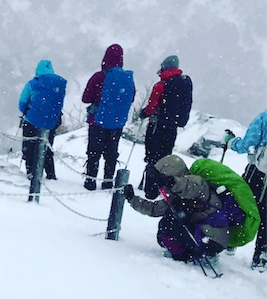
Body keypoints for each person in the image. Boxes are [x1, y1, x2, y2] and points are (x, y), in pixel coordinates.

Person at [123, 154, 260, 264]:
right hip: (206, 236)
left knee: (169, 223)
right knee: (167, 223)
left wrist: (170, 181)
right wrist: (132, 199)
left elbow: (188, 186)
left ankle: (184, 257)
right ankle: (188, 253)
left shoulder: (198, 183)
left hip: (212, 239)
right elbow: (155, 209)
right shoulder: (176, 195)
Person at [81, 43, 135, 191]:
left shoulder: (99, 77)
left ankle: (90, 181)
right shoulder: (127, 78)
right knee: (111, 153)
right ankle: (108, 182)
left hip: (98, 121)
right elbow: (131, 98)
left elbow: (85, 98)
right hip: (117, 123)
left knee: (94, 152)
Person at [138, 55, 193, 199]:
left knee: (152, 157)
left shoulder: (161, 85)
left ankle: (150, 190)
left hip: (157, 126)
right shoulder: (183, 84)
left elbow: (152, 106)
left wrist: (143, 113)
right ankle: (163, 187)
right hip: (172, 127)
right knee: (165, 157)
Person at [224, 109, 267, 269]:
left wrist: (231, 142)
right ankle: (261, 257)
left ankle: (230, 240)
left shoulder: (264, 117)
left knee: (240, 203)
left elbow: (247, 145)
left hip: (258, 172)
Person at [18, 59, 66, 182]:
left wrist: (28, 111)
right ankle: (50, 174)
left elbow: (22, 103)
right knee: (47, 148)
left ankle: (31, 173)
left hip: (32, 121)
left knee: (29, 147)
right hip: (51, 122)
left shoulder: (32, 84)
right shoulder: (59, 84)